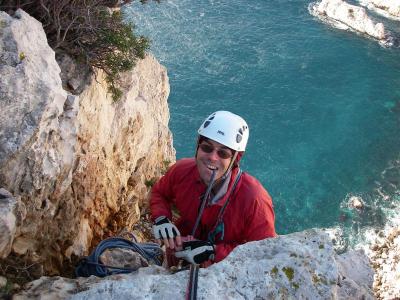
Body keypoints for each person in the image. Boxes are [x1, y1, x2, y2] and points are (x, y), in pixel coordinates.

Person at [150, 111, 276, 267]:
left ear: (235, 159)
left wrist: (213, 252)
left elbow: (265, 252)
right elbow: (159, 193)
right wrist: (162, 218)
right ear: (198, 147)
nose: (213, 157)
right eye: (207, 147)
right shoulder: (182, 171)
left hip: (222, 275)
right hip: (177, 259)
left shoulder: (254, 200)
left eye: (223, 153)